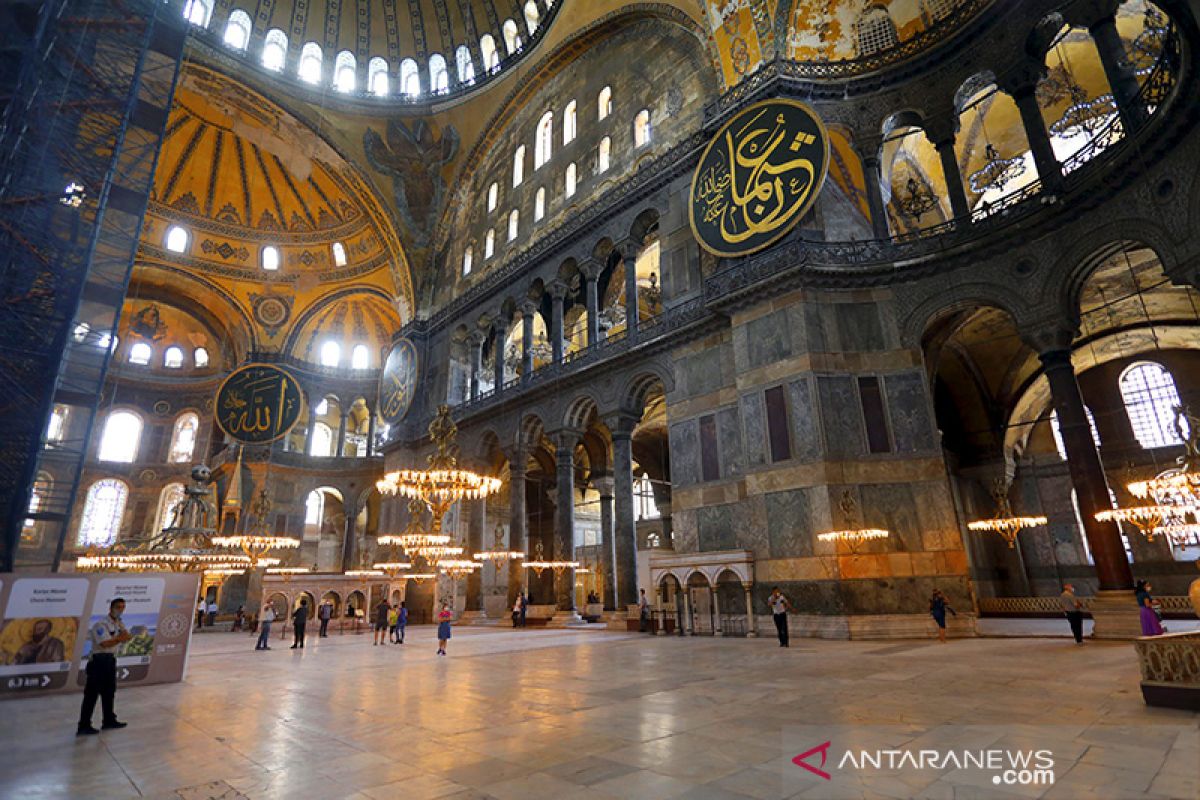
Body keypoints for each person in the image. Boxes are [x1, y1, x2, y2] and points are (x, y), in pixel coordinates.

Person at [77, 598, 130, 735]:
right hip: (99, 662)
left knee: (109, 693)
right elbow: (104, 643)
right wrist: (119, 638)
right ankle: (84, 725)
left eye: (123, 607)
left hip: (110, 661)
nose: (120, 610)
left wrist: (120, 637)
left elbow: (126, 636)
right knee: (91, 695)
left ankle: (109, 720)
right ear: (111, 608)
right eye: (118, 607)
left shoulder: (119, 624)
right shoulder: (100, 625)